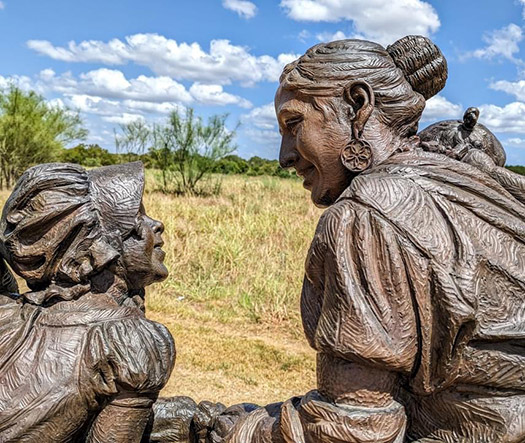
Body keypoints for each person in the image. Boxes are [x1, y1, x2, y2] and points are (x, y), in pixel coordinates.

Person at [198, 36, 525, 442]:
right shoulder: (472, 181)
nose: (284, 156)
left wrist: (242, 430)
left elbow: (355, 426)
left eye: (294, 124)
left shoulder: (365, 216)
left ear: (357, 105)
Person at [0, 162, 175, 442]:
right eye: (137, 217)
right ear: (102, 249)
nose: (156, 224)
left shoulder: (9, 316)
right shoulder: (128, 342)